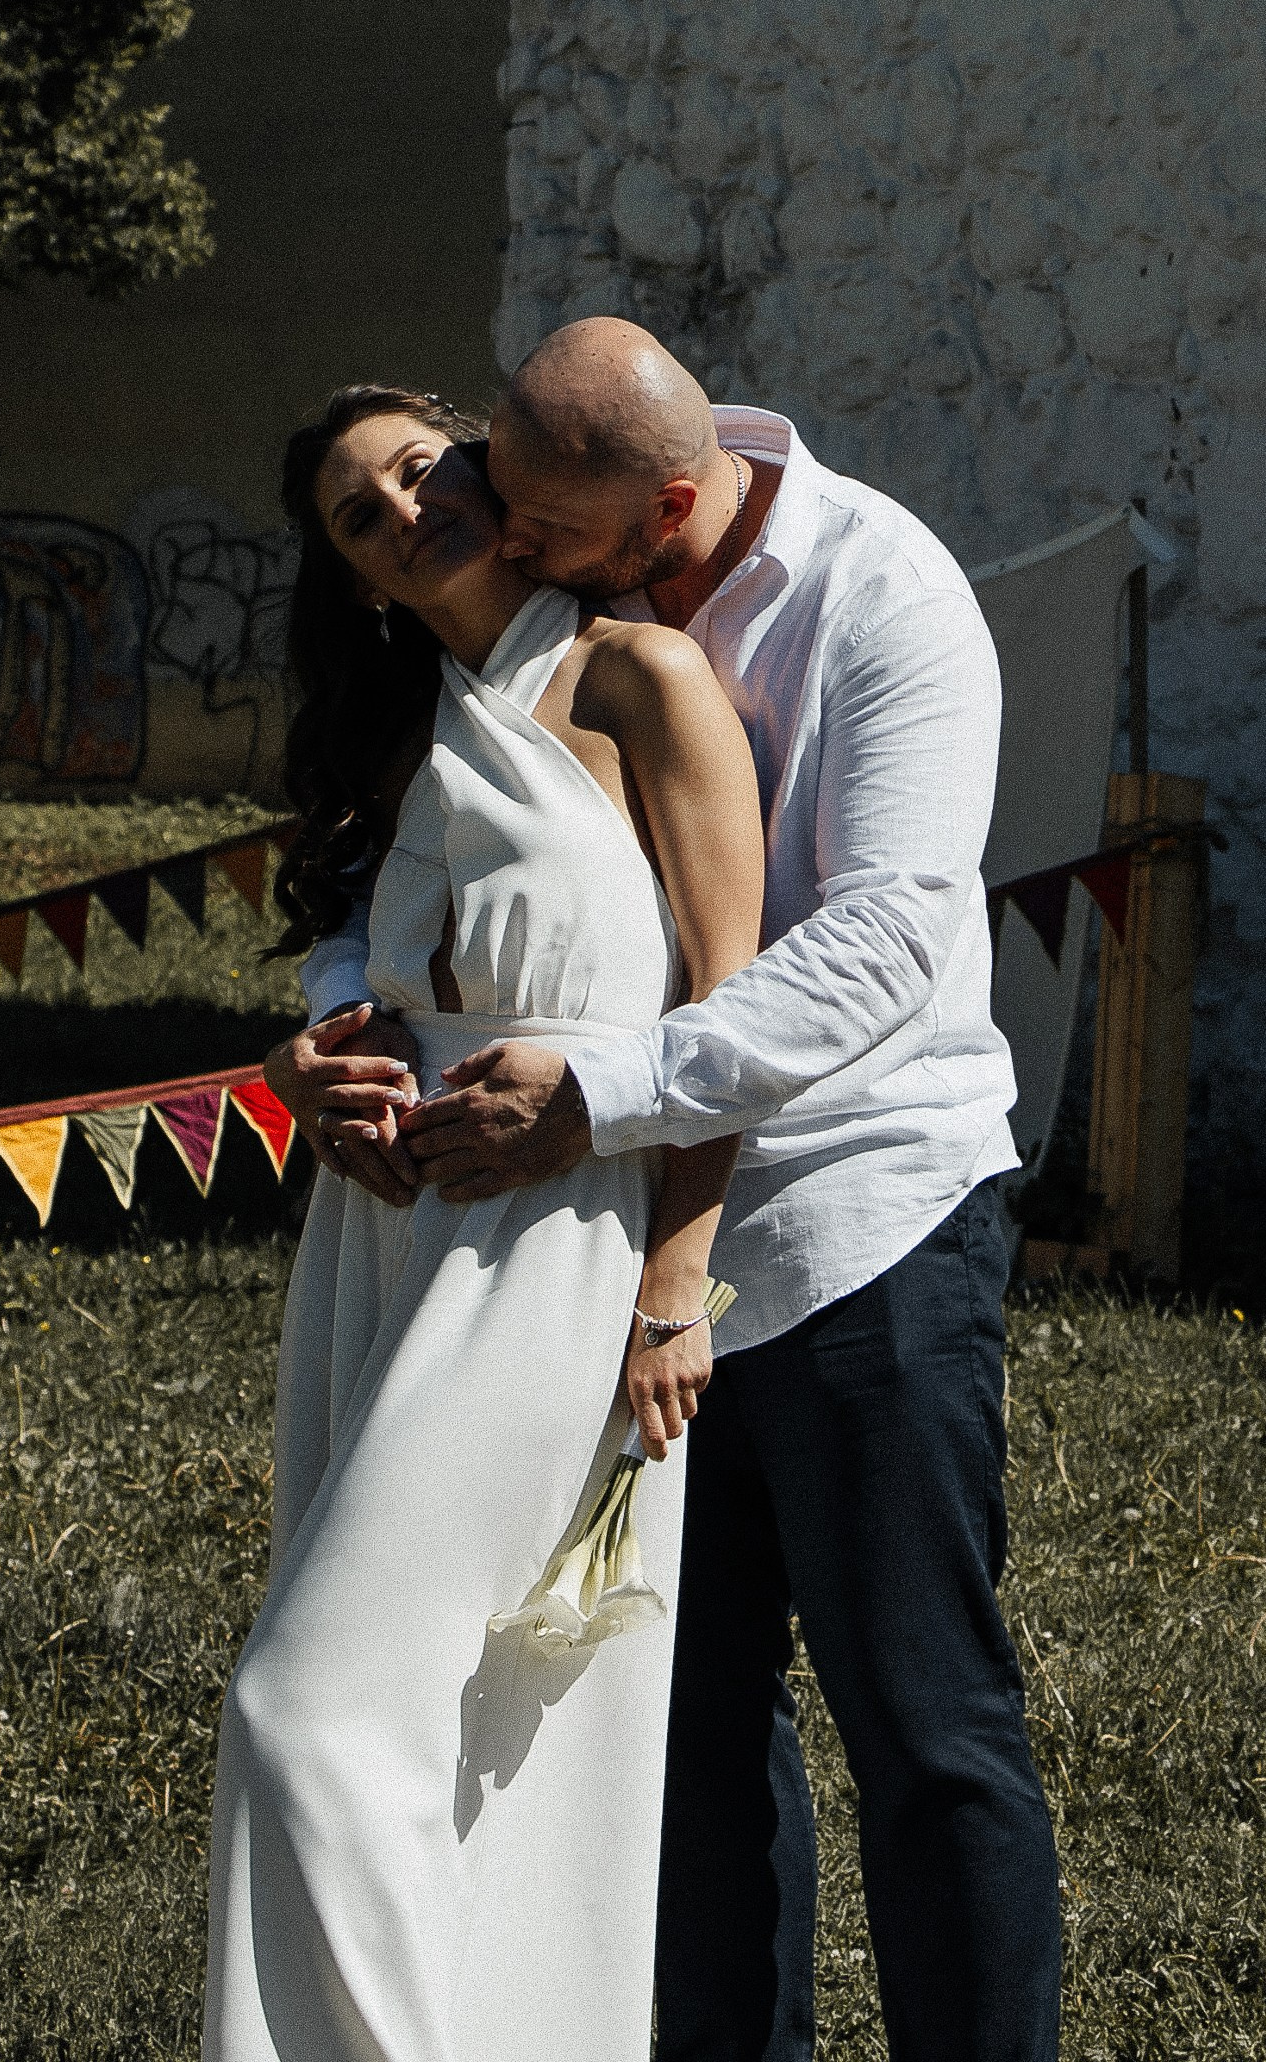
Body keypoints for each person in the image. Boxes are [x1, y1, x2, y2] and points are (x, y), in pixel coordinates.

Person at [269, 321, 1061, 2062]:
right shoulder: (526, 600)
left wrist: (601, 1100)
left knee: (923, 1725)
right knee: (678, 1736)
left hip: (863, 1217)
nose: (500, 535)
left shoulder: (883, 597)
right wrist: (335, 1018)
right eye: (494, 495)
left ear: (671, 508)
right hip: (601, 1252)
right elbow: (418, 873)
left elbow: (873, 948)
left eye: (542, 527)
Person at [210, 382, 767, 2062]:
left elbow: (730, 1009)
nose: (401, 511)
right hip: (377, 1242)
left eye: (414, 468)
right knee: (443, 1725)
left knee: (302, 1705)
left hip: (557, 1249)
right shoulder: (404, 734)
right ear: (359, 578)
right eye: (358, 519)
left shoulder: (641, 679)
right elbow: (364, 971)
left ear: (480, 461)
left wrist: (680, 1274)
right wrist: (310, 1067)